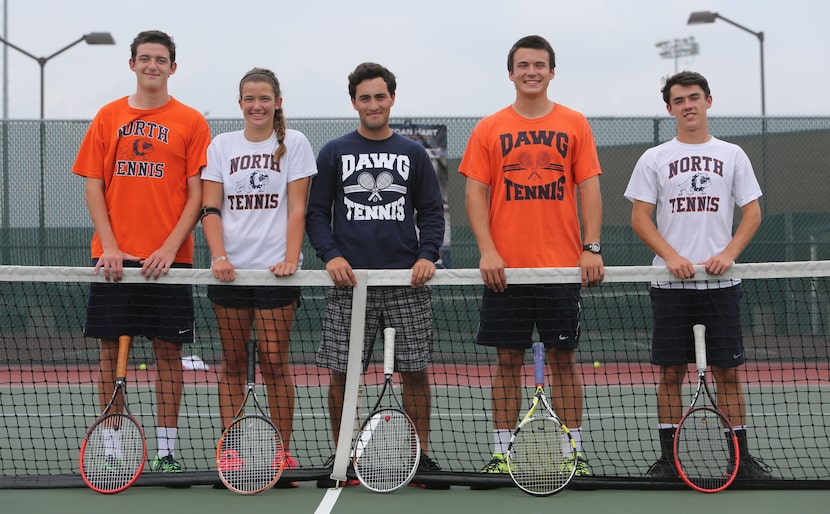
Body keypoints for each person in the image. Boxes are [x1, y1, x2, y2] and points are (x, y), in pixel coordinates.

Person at [459, 34, 604, 478]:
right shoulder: (489, 128)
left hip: (561, 267)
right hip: (507, 270)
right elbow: (474, 192)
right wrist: (488, 250)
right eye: (523, 65)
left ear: (552, 71)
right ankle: (503, 455)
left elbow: (589, 187)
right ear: (511, 72)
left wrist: (590, 247)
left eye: (539, 65)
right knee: (507, 361)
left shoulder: (575, 123)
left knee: (564, 361)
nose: (531, 72)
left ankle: (573, 453)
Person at [72, 30, 211, 473]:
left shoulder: (191, 121)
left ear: (173, 68)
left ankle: (166, 451)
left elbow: (196, 196)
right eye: (145, 58)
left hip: (171, 262)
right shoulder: (107, 116)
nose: (153, 65)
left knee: (169, 354)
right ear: (132, 64)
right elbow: (94, 185)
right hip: (114, 259)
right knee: (110, 355)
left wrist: (169, 249)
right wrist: (110, 246)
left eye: (161, 59)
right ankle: (113, 448)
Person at [624, 70, 773, 479]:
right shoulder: (653, 158)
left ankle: (740, 461)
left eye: (694, 97)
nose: (687, 105)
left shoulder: (733, 154)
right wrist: (671, 256)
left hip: (721, 284)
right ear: (669, 108)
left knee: (728, 372)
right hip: (671, 286)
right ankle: (669, 463)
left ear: (709, 101)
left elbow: (753, 212)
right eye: (679, 100)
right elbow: (640, 218)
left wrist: (728, 253)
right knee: (671, 372)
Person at [306, 62, 446, 489]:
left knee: (417, 372)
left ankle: (418, 457)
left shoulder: (413, 153)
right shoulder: (333, 152)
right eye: (364, 97)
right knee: (342, 375)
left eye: (380, 96)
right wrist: (330, 256)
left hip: (407, 282)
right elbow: (316, 214)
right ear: (354, 102)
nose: (373, 104)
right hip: (351, 285)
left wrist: (427, 255)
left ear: (392, 99)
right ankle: (343, 457)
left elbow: (432, 213)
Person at [201, 68, 317, 486]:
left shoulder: (296, 144)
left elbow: (298, 209)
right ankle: (229, 453)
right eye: (249, 98)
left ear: (277, 102)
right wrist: (219, 257)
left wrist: (289, 260)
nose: (257, 105)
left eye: (264, 98)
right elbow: (210, 210)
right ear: (240, 104)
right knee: (232, 364)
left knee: (274, 363)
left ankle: (282, 454)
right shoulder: (221, 146)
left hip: (276, 276)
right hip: (229, 275)